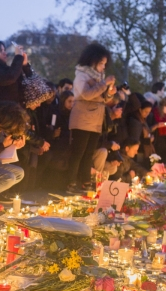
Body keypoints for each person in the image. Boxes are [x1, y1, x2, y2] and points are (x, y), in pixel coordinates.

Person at [67, 43, 116, 193]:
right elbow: (86, 94)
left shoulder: (99, 77)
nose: (103, 67)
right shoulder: (81, 74)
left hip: (95, 120)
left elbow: (102, 97)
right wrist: (104, 84)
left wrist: (110, 92)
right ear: (92, 60)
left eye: (105, 64)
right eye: (101, 63)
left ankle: (85, 182)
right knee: (78, 153)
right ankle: (70, 183)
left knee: (89, 153)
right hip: (82, 118)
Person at [147, 97, 166, 162]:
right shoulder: (153, 114)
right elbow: (148, 130)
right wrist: (156, 126)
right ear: (162, 106)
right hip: (155, 142)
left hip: (165, 143)